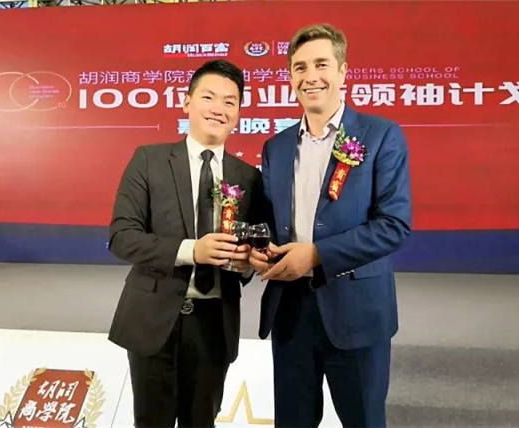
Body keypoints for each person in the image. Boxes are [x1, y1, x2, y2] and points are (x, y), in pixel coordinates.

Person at [250, 24, 412, 428]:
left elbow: (393, 225)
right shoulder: (276, 147)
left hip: (357, 312)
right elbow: (269, 223)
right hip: (291, 313)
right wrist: (257, 251)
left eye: (321, 64)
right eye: (299, 67)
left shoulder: (381, 135)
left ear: (342, 71)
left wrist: (317, 255)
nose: (310, 76)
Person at [108, 59, 264, 428]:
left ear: (239, 113)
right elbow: (122, 236)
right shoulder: (149, 160)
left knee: (202, 422)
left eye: (229, 101)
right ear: (186, 102)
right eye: (208, 97)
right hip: (153, 318)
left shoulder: (249, 177)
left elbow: (252, 251)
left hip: (214, 325)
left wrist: (248, 262)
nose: (218, 108)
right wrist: (190, 250)